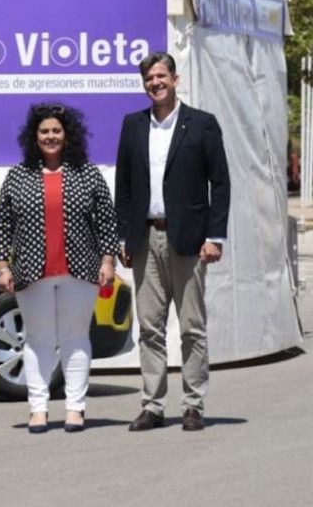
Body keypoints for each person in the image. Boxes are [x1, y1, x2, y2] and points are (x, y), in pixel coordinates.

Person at [115, 52, 230, 432]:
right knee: (150, 328)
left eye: (161, 76)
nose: (155, 83)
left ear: (175, 79)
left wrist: (215, 236)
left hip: (190, 240)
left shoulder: (202, 124)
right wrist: (124, 235)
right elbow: (124, 186)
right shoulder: (133, 125)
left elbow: (220, 183)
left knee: (192, 327)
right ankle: (152, 405)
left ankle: (193, 404)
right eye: (149, 78)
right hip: (145, 238)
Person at [0, 103, 118, 434]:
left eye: (57, 131)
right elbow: (3, 223)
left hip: (80, 270)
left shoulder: (87, 173)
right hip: (31, 271)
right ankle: (38, 408)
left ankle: (75, 408)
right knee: (38, 340)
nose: (51, 136)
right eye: (44, 131)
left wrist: (108, 260)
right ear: (34, 137)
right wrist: (2, 266)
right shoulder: (18, 176)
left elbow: (107, 220)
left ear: (67, 135)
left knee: (75, 338)